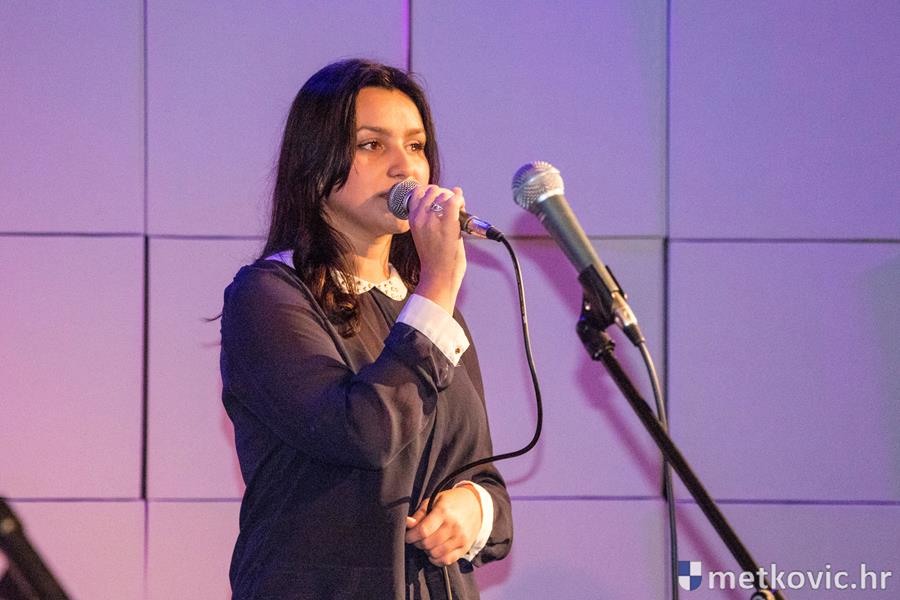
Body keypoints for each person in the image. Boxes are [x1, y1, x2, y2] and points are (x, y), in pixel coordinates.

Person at [219, 58, 513, 599]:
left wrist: (474, 509)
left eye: (416, 146)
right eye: (372, 145)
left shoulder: (429, 309)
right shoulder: (267, 296)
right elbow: (365, 433)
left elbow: (487, 483)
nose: (405, 167)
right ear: (316, 163)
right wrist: (439, 283)